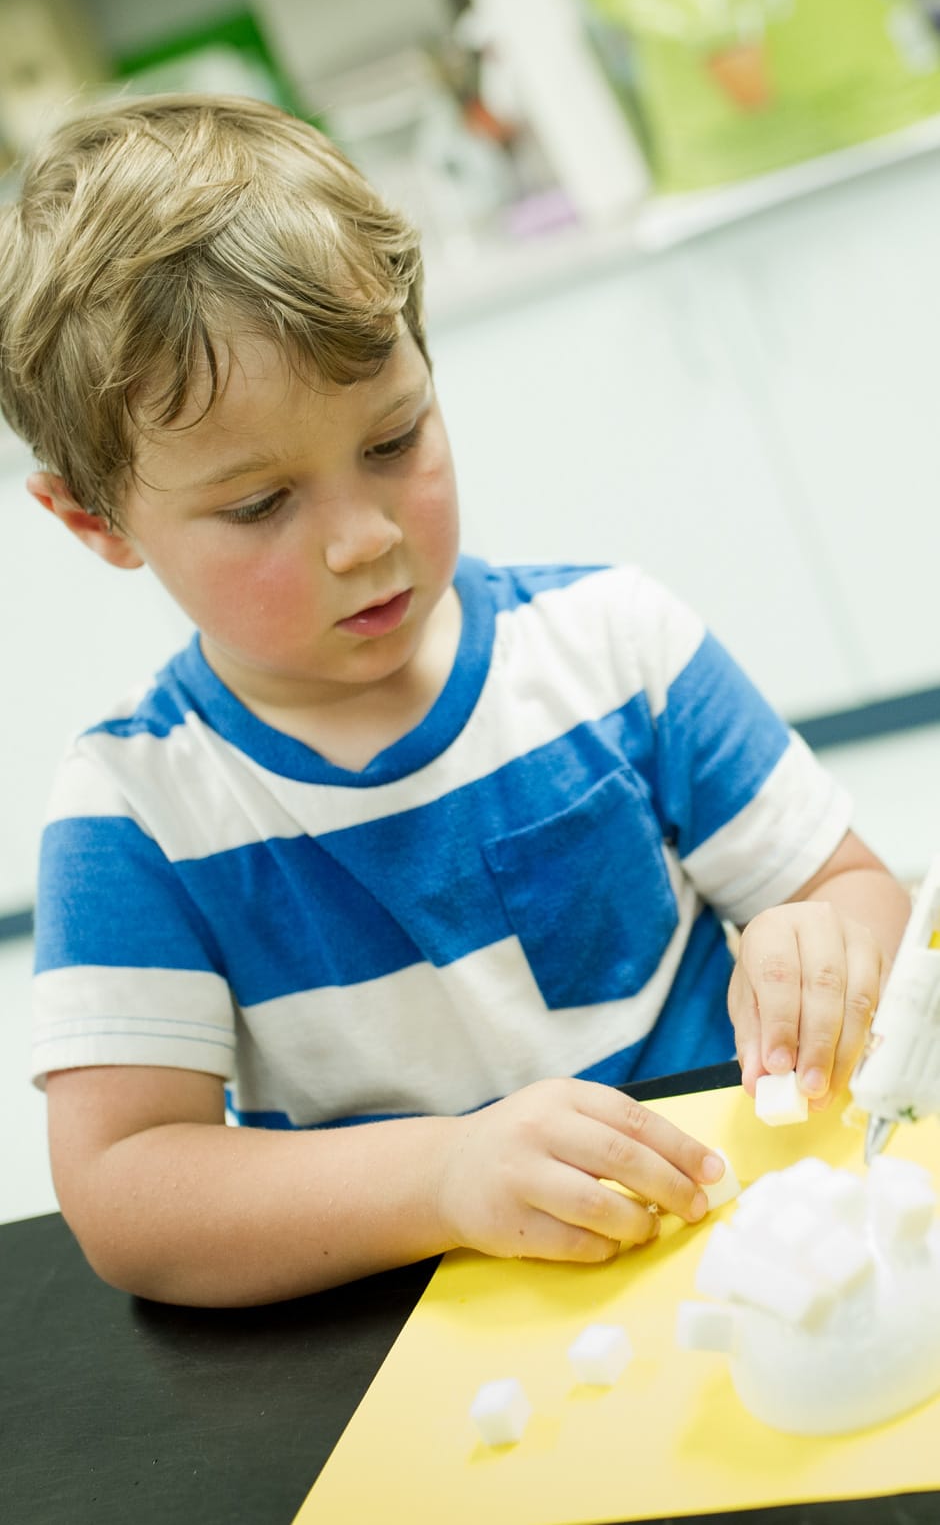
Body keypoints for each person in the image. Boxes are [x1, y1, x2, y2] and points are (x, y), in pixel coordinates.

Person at [0, 93, 910, 1307]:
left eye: (393, 440)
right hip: (427, 1328)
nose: (364, 539)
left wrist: (830, 942)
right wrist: (446, 1172)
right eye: (260, 504)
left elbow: (856, 892)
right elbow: (128, 1192)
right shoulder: (137, 808)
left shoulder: (615, 641)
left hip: (755, 1248)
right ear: (93, 519)